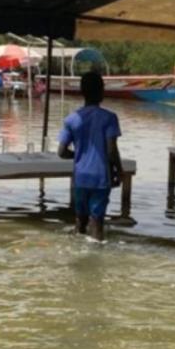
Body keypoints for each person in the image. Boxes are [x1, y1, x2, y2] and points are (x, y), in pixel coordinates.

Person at [58, 70, 122, 241]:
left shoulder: (71, 119)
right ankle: (96, 258)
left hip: (80, 177)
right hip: (100, 177)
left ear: (82, 92)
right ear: (102, 91)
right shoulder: (109, 118)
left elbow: (62, 152)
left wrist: (80, 155)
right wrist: (118, 171)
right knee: (97, 222)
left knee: (80, 220)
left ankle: (77, 253)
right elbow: (111, 150)